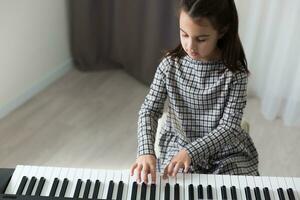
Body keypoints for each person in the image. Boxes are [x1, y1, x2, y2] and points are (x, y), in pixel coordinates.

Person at [130, 0, 259, 184]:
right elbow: (149, 110)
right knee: (172, 188)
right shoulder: (169, 66)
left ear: (221, 32)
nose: (190, 46)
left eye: (201, 39)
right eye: (184, 34)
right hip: (179, 145)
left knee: (237, 189)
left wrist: (192, 152)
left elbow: (229, 127)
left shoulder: (235, 74)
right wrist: (145, 151)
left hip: (224, 151)